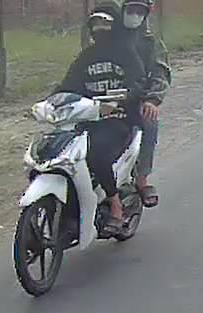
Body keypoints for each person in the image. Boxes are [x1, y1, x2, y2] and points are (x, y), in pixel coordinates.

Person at [56, 5, 146, 236]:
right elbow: (68, 85)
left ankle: (115, 206)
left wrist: (124, 97)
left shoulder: (126, 53)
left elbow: (139, 83)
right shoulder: (86, 57)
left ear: (114, 26)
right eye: (95, 24)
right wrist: (50, 102)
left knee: (96, 152)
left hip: (119, 119)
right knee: (61, 153)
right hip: (87, 118)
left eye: (105, 23)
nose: (100, 29)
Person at [118, 0, 171, 208]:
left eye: (139, 11)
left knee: (149, 120)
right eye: (131, 10)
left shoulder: (150, 43)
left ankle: (142, 179)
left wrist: (152, 99)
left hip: (136, 99)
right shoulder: (110, 37)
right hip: (102, 97)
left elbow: (160, 73)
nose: (134, 15)